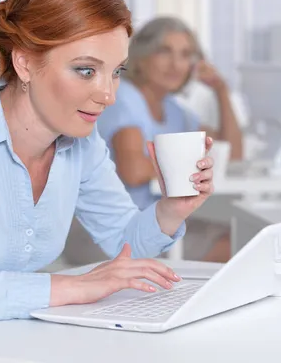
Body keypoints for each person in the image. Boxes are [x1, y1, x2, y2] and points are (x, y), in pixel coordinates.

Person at [0, 0, 215, 322]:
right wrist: (73, 287)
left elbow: (123, 241)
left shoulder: (81, 144)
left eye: (116, 71)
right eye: (86, 70)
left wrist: (171, 210)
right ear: (24, 62)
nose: (108, 95)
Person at [97, 17, 239, 263]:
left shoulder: (175, 110)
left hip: (154, 219)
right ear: (141, 56)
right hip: (112, 229)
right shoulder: (124, 98)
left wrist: (221, 91)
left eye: (185, 55)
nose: (176, 64)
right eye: (165, 51)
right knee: (232, 245)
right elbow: (132, 170)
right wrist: (189, 162)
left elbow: (232, 153)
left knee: (241, 237)